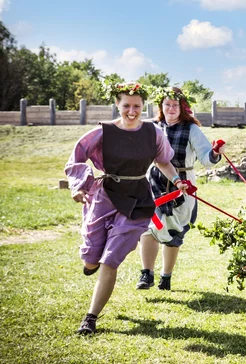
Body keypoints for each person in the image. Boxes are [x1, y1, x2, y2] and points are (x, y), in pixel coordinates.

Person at [65, 82, 187, 335]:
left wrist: (176, 180)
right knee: (91, 260)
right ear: (118, 105)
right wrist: (78, 185)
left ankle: (90, 318)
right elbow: (77, 156)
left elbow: (163, 161)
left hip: (137, 200)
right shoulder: (104, 132)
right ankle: (91, 263)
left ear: (144, 107)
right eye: (126, 106)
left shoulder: (153, 133)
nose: (132, 111)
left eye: (137, 107)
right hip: (104, 197)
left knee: (110, 261)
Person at [136, 87, 225, 291]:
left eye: (175, 105)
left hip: (183, 187)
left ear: (182, 107)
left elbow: (206, 158)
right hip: (155, 184)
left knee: (174, 232)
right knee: (149, 227)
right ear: (161, 106)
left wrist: (215, 153)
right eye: (167, 104)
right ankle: (146, 274)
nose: (171, 108)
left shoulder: (191, 129)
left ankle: (165, 277)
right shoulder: (152, 127)